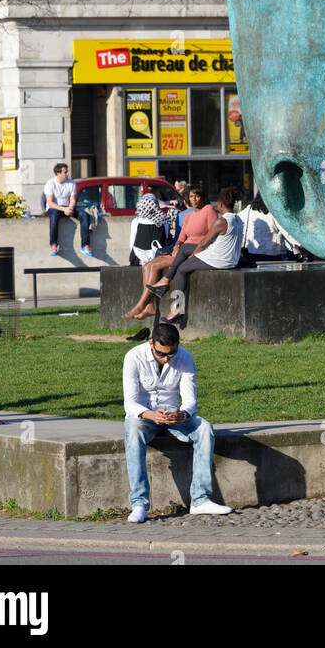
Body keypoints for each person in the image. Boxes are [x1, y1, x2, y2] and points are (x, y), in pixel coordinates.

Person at [122, 321, 232, 523]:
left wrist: (183, 414)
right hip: (144, 415)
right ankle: (139, 503)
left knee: (204, 429)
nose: (166, 359)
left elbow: (190, 400)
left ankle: (200, 499)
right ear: (151, 344)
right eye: (161, 354)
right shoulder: (133, 357)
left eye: (171, 354)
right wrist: (151, 415)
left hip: (174, 414)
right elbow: (129, 403)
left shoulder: (185, 357)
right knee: (133, 430)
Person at [126, 187, 218, 320]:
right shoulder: (189, 216)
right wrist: (177, 246)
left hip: (197, 252)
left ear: (203, 196)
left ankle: (145, 302)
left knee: (160, 266)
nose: (194, 199)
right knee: (149, 265)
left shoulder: (208, 210)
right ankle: (149, 306)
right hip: (184, 252)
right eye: (192, 196)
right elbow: (181, 237)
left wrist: (194, 251)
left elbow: (211, 236)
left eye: (197, 196)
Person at [155, 187, 244, 322]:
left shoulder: (221, 221)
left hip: (219, 259)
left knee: (181, 269)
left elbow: (203, 243)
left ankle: (176, 309)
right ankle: (166, 280)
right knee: (185, 248)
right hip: (230, 258)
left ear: (220, 204)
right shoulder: (238, 220)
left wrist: (193, 257)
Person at [44, 163, 94, 257]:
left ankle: (85, 245)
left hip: (67, 207)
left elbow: (73, 199)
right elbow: (50, 203)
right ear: (58, 173)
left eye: (67, 172)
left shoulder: (71, 183)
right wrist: (64, 209)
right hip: (55, 208)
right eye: (65, 172)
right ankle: (54, 245)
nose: (67, 174)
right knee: (54, 216)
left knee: (84, 214)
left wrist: (70, 208)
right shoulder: (50, 183)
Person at [241, 195, 290, 263]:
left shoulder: (248, 210)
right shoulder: (274, 211)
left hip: (252, 251)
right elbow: (287, 231)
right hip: (273, 253)